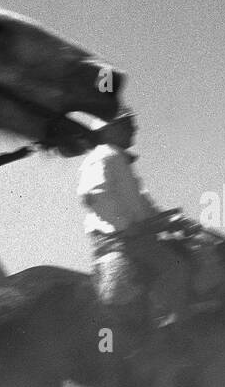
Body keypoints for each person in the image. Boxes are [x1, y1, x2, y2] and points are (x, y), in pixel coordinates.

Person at [76, 115, 217, 341]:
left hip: (134, 236)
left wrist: (171, 220)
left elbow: (143, 206)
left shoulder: (117, 159)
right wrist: (126, 227)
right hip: (121, 240)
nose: (134, 129)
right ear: (109, 130)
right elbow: (95, 196)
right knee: (176, 266)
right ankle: (179, 333)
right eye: (126, 125)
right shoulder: (106, 155)